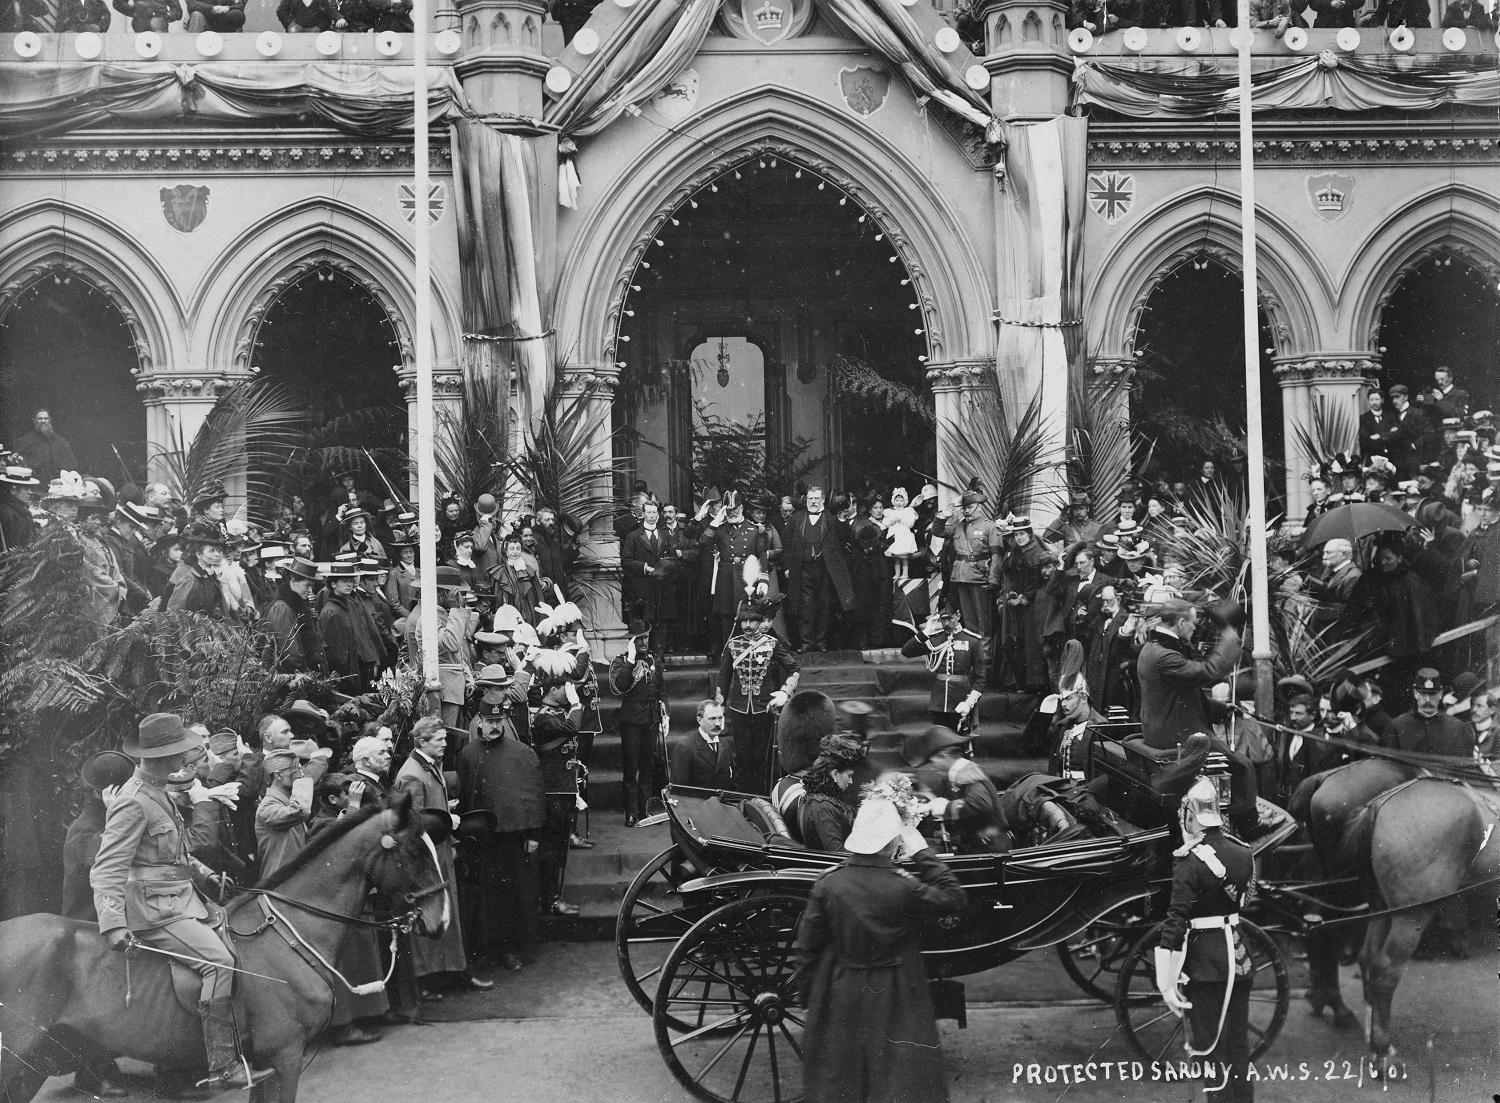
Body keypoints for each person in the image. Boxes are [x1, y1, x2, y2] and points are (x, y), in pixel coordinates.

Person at [91, 715, 272, 1091]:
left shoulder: (158, 792)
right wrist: (112, 924)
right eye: (179, 751)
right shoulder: (134, 801)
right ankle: (222, 1065)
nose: (188, 757)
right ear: (159, 756)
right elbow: (106, 868)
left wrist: (207, 877)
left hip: (183, 900)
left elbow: (174, 854)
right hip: (155, 912)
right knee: (218, 963)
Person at [793, 797, 965, 1103]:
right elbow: (953, 896)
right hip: (896, 991)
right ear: (891, 844)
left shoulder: (829, 884)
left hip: (842, 989)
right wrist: (922, 852)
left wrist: (808, 997)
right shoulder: (902, 886)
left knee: (843, 1079)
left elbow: (807, 948)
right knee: (899, 1080)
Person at [1155, 775, 1254, 1103]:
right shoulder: (1243, 852)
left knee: (1211, 1051)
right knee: (1239, 1050)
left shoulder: (1188, 860)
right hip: (1239, 959)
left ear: (1189, 815)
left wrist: (1165, 981)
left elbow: (1176, 921)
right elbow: (1245, 900)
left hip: (1206, 966)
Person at [1136, 598, 1259, 833]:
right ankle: (1248, 825)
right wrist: (1230, 634)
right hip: (1176, 733)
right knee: (1243, 765)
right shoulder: (1165, 656)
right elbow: (1208, 671)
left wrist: (1221, 709)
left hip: (1161, 726)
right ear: (1181, 622)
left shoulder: (1152, 648)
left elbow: (1182, 693)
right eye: (1192, 623)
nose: (1195, 628)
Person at [457, 677, 545, 973]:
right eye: (488, 720)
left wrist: (533, 834)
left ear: (505, 720)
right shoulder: (467, 756)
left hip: (512, 837)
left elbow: (533, 796)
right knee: (485, 896)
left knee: (513, 896)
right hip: (482, 839)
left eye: (499, 720)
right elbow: (467, 795)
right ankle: (486, 948)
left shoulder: (521, 753)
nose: (494, 726)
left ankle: (511, 949)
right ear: (479, 721)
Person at [395, 718, 487, 995]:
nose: (445, 744)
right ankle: (427, 981)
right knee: (431, 916)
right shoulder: (412, 773)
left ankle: (455, 972)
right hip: (427, 859)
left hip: (441, 851)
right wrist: (451, 821)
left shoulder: (429, 766)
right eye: (439, 739)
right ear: (421, 742)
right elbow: (412, 823)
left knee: (449, 914)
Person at [718, 589, 800, 795]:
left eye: (752, 621)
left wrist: (784, 692)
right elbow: (723, 679)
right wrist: (719, 706)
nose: (747, 626)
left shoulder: (771, 644)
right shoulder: (733, 645)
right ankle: (745, 798)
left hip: (764, 709)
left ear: (759, 621)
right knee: (742, 757)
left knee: (761, 758)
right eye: (744, 621)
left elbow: (794, 668)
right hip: (738, 709)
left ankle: (761, 799)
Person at [529, 656, 585, 918]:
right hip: (552, 793)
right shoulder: (543, 718)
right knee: (551, 850)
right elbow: (572, 728)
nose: (570, 692)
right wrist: (576, 704)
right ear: (553, 690)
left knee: (559, 847)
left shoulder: (556, 714)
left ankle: (554, 898)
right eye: (566, 688)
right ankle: (550, 900)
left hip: (564, 790)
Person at [903, 725, 1012, 853]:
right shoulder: (958, 774)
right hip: (976, 843)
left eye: (933, 762)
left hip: (991, 848)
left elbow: (980, 803)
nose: (932, 768)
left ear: (943, 755)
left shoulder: (966, 774)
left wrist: (945, 807)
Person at [609, 617, 667, 826]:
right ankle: (631, 811)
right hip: (632, 719)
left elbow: (661, 689)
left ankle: (645, 810)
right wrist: (631, 661)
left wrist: (665, 711)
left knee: (648, 766)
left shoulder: (654, 660)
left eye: (645, 637)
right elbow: (620, 686)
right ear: (631, 641)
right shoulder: (622, 661)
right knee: (631, 766)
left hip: (650, 718)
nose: (643, 642)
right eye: (638, 638)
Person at [938, 490, 1002, 679]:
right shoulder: (958, 526)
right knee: (968, 618)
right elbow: (938, 531)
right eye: (964, 507)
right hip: (960, 576)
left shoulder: (989, 527)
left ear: (979, 507)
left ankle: (985, 654)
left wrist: (994, 578)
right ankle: (975, 652)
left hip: (979, 576)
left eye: (971, 507)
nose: (967, 511)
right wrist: (944, 516)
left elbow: (996, 554)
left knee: (983, 618)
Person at [900, 606, 984, 734]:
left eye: (949, 618)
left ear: (958, 615)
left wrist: (969, 702)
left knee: (961, 740)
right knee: (940, 740)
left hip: (961, 699)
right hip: (939, 701)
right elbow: (906, 652)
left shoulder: (972, 640)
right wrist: (925, 633)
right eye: (942, 620)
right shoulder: (935, 639)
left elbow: (980, 678)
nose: (945, 623)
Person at [796, 735, 866, 851]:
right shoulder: (822, 807)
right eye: (849, 776)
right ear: (835, 774)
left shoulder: (819, 800)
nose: (851, 781)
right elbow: (836, 853)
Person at [263, 556, 328, 674]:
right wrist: (307, 674)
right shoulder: (282, 608)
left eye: (311, 586)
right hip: (292, 679)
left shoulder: (298, 606)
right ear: (293, 582)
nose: (310, 591)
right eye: (307, 585)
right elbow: (290, 653)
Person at [1388, 668, 1471, 757]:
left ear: (1440, 694)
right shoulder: (1397, 727)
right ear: (1415, 694)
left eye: (1432, 694)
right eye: (1423, 694)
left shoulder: (1456, 728)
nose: (1427, 700)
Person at [670, 699, 736, 790]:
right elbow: (679, 791)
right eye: (712, 719)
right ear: (699, 720)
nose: (717, 723)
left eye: (720, 718)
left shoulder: (725, 745)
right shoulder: (684, 748)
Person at [15, 409, 78, 485]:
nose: (43, 421)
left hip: (58, 486)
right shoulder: (25, 440)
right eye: (40, 419)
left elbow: (71, 466)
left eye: (46, 418)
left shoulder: (61, 441)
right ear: (34, 421)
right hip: (35, 485)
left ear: (50, 420)